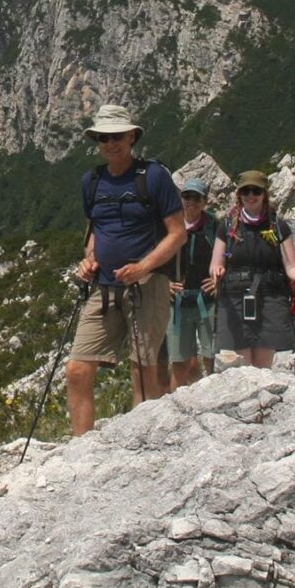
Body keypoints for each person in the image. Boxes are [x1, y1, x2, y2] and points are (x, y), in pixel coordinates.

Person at [66, 104, 187, 435]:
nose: (110, 144)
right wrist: (89, 259)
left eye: (117, 136)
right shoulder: (91, 181)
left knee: (143, 369)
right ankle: (81, 450)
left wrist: (143, 266)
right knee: (77, 369)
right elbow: (94, 231)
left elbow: (178, 232)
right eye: (104, 138)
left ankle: (145, 443)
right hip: (103, 288)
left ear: (131, 136)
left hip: (148, 284)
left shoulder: (154, 177)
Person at [209, 170, 295, 368]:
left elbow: (290, 265)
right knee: (242, 362)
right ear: (240, 195)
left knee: (264, 363)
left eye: (256, 191)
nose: (251, 196)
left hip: (270, 296)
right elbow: (216, 263)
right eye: (246, 191)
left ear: (264, 194)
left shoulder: (278, 226)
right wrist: (217, 271)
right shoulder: (227, 227)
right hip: (236, 297)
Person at [167, 177, 220, 390]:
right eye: (187, 196)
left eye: (196, 197)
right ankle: (172, 407)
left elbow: (227, 258)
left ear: (204, 201)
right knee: (178, 361)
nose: (191, 202)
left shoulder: (214, 227)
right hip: (177, 302)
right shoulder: (171, 226)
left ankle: (216, 396)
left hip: (206, 300)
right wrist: (165, 285)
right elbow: (158, 258)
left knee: (211, 356)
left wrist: (219, 282)